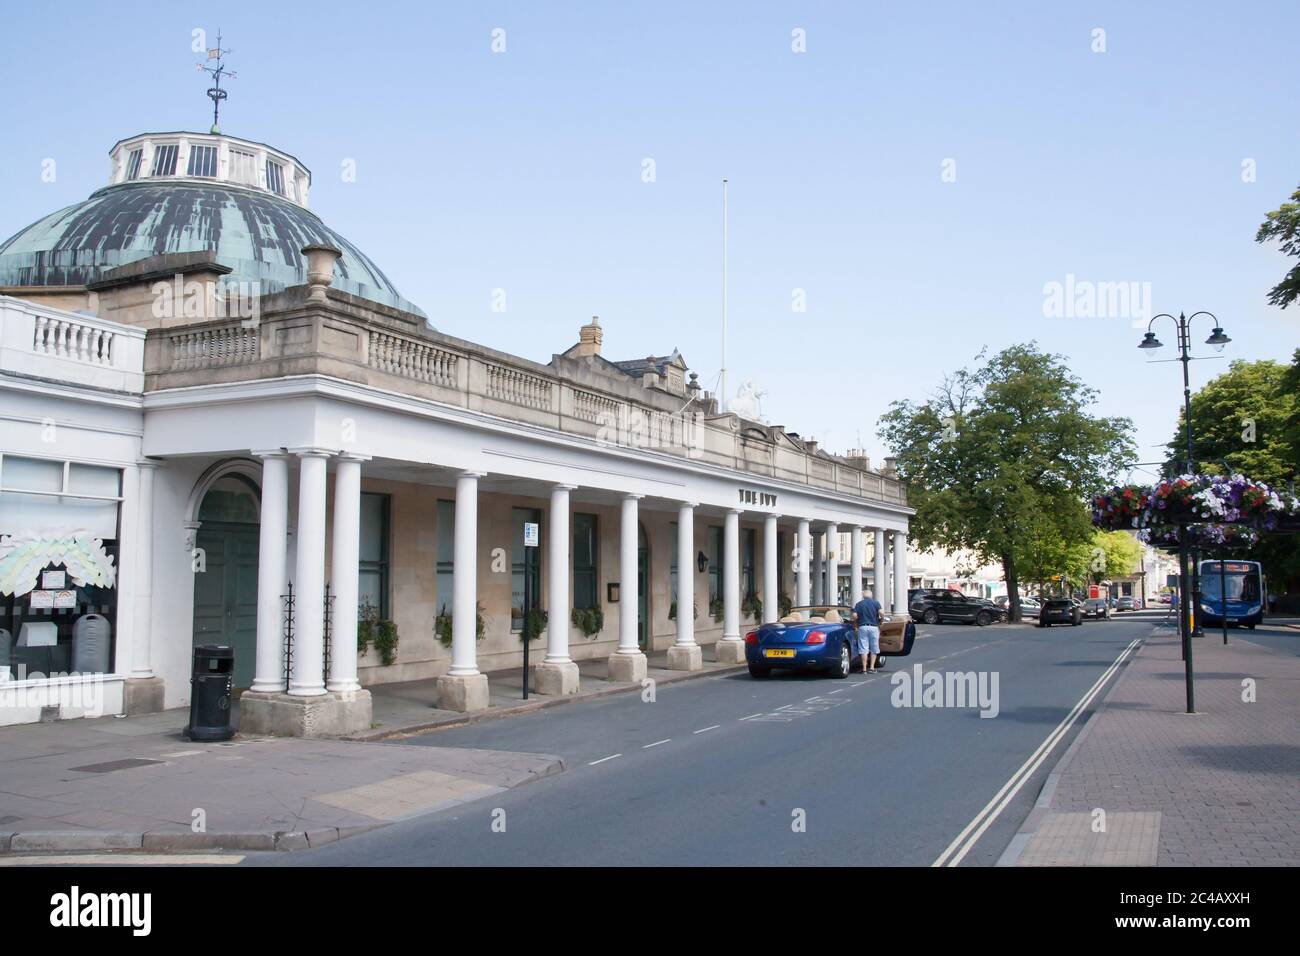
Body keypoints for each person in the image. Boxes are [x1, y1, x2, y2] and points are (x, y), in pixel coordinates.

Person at [852, 592, 883, 673]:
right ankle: (872, 668)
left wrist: (856, 623)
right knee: (874, 647)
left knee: (863, 648)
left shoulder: (859, 604)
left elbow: (854, 616)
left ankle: (864, 669)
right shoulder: (876, 603)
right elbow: (882, 613)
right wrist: (881, 620)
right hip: (874, 627)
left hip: (862, 627)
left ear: (863, 596)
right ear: (871, 596)